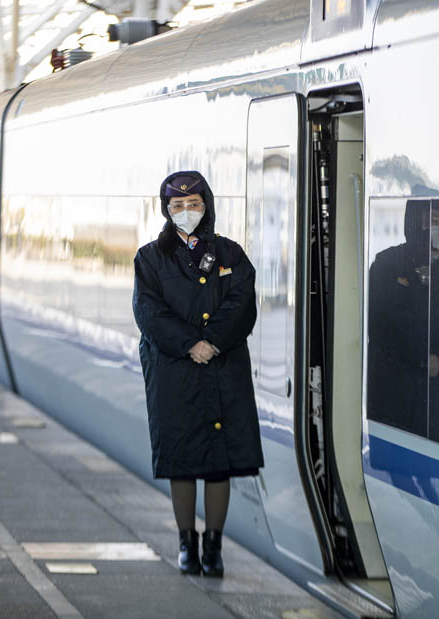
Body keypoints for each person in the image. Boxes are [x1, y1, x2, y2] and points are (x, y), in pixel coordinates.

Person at [132, 170, 263, 577]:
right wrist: (191, 343)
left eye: (193, 204)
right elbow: (148, 312)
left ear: (206, 205)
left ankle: (214, 545)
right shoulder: (150, 257)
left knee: (219, 463)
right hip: (175, 372)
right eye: (177, 206)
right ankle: (186, 542)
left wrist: (213, 341)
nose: (186, 212)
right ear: (166, 210)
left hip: (222, 369)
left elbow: (243, 302)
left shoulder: (230, 254)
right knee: (183, 461)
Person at [367, 199, 439, 448]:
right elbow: (379, 324)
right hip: (394, 392)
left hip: (438, 398)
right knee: (392, 466)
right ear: (415, 218)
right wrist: (418, 358)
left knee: (436, 466)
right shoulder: (387, 264)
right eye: (432, 218)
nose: (438, 226)